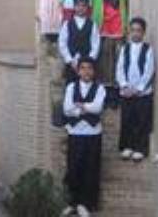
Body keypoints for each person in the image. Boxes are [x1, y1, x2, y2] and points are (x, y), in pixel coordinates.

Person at [62, 57, 106, 217]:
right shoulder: (71, 87)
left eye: (89, 68)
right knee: (73, 168)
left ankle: (86, 204)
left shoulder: (100, 88)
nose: (86, 71)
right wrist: (86, 108)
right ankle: (72, 203)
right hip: (75, 133)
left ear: (93, 71)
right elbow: (67, 109)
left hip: (93, 134)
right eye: (83, 68)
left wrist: (80, 106)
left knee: (90, 169)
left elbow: (98, 108)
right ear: (78, 71)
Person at [116, 17, 155, 162]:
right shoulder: (124, 48)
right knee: (127, 120)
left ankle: (140, 149)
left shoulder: (148, 49)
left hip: (142, 93)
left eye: (138, 31)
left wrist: (139, 89)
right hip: (126, 92)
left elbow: (149, 70)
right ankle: (127, 146)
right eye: (133, 30)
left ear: (143, 32)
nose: (135, 33)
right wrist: (124, 85)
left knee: (141, 120)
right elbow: (120, 68)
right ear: (129, 32)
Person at [92, 0, 128, 107]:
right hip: (103, 29)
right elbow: (93, 7)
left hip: (118, 29)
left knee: (118, 62)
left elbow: (126, 7)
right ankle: (106, 96)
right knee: (104, 63)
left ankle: (116, 95)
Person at [59, 0, 100, 84]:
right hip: (71, 65)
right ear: (74, 6)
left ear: (87, 7)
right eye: (78, 5)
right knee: (71, 88)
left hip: (88, 68)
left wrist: (89, 62)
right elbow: (62, 43)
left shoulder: (92, 25)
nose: (80, 8)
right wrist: (69, 60)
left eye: (83, 6)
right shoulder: (67, 24)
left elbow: (95, 44)